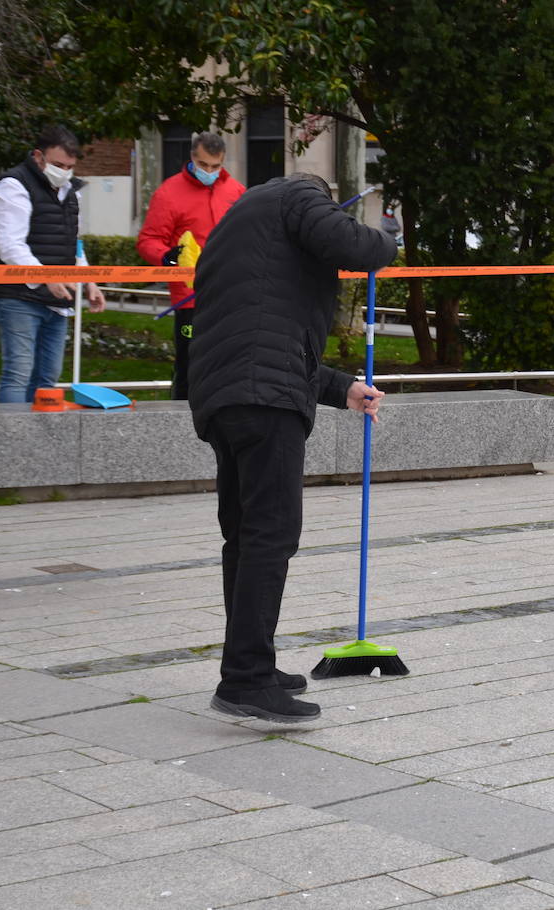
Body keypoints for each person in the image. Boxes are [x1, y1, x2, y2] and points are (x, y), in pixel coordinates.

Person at [189, 172, 398, 723]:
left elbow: (265, 338)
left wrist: (344, 388)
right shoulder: (298, 195)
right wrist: (387, 240)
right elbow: (354, 245)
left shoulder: (237, 225)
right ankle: (246, 681)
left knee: (246, 534)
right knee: (271, 533)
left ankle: (248, 664)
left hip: (225, 398)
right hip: (263, 401)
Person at [0, 125, 106, 403]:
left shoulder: (72, 192)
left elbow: (74, 244)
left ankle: (38, 441)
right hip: (18, 294)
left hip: (58, 296)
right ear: (38, 157)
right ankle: (13, 439)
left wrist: (89, 281)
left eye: (69, 166)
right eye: (58, 164)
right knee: (18, 371)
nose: (64, 172)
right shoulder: (12, 185)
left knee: (48, 377)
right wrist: (46, 276)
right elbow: (10, 245)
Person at [136, 132, 246, 399]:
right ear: (192, 159)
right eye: (204, 165)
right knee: (190, 365)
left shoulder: (236, 191)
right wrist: (166, 257)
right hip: (189, 297)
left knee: (232, 364)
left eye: (216, 166)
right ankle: (182, 419)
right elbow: (148, 240)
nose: (209, 171)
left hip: (231, 294)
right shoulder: (169, 193)